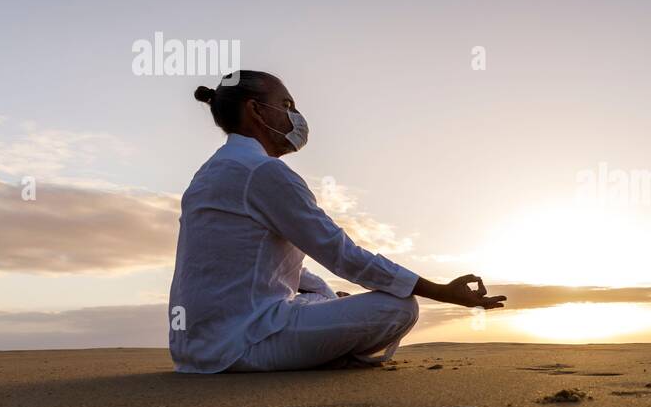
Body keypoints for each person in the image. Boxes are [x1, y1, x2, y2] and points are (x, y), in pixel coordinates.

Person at [168, 70, 504, 373]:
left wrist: (328, 301)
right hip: (243, 345)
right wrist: (441, 291)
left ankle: (327, 328)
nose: (295, 116)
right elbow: (342, 255)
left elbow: (252, 264)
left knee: (317, 288)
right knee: (399, 307)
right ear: (256, 111)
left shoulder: (209, 174)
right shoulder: (262, 172)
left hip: (195, 350)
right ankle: (332, 353)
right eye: (286, 104)